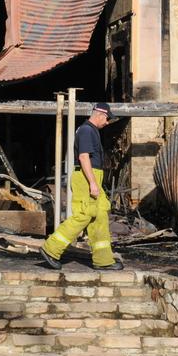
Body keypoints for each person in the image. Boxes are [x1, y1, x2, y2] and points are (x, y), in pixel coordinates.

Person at [40, 102, 123, 270]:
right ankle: (51, 249)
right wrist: (92, 182)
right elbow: (84, 157)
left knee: (100, 216)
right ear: (99, 114)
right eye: (107, 119)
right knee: (85, 214)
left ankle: (103, 260)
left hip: (92, 176)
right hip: (86, 177)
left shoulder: (91, 131)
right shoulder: (86, 130)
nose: (107, 123)